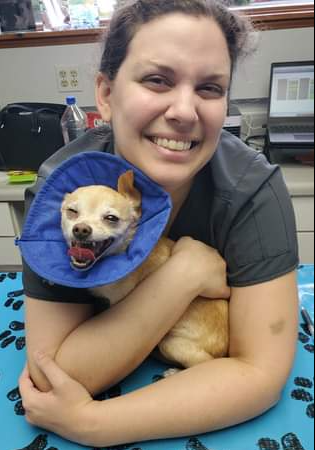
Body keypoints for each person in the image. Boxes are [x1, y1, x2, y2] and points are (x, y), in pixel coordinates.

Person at [19, 0, 300, 447]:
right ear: (106, 96)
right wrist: (183, 276)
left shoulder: (253, 190)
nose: (185, 111)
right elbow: (53, 374)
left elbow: (257, 373)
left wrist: (93, 423)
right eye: (157, 79)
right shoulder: (62, 194)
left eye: (210, 88)